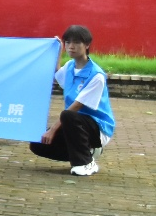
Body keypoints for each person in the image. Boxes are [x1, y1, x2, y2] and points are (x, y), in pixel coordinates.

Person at [29, 25, 114, 176]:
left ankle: (85, 163)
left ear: (87, 45)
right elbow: (58, 74)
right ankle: (87, 153)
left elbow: (76, 106)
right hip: (74, 123)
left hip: (97, 127)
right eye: (68, 42)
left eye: (76, 42)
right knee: (38, 144)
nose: (71, 46)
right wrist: (58, 50)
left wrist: (53, 130)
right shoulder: (70, 66)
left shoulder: (96, 76)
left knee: (67, 115)